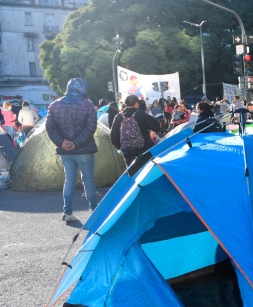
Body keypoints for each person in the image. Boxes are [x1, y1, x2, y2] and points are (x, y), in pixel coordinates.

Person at [45, 78, 99, 222]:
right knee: (88, 180)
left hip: (65, 152)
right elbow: (91, 127)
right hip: (85, 150)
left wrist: (62, 142)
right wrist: (76, 143)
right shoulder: (88, 105)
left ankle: (67, 212)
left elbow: (50, 128)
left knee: (69, 179)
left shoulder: (54, 105)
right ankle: (94, 209)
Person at [110, 95, 165, 167]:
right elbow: (156, 126)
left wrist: (122, 147)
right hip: (144, 151)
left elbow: (113, 137)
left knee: (133, 174)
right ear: (136, 103)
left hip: (128, 153)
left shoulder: (118, 117)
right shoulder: (141, 114)